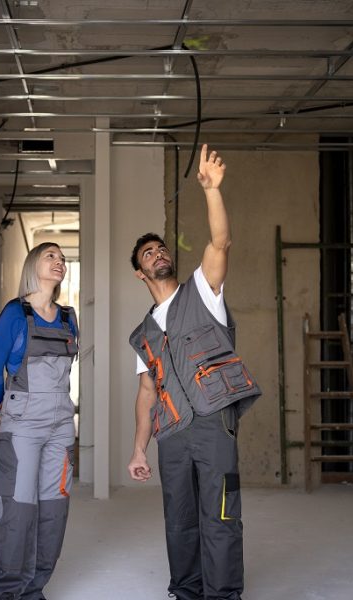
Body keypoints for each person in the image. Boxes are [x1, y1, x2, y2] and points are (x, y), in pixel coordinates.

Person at [127, 144, 261, 600]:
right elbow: (147, 392)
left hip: (212, 424)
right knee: (179, 519)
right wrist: (139, 449)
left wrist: (212, 191)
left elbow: (219, 242)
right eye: (148, 253)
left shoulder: (202, 292)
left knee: (220, 515)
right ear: (139, 272)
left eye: (161, 248)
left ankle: (223, 595)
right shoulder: (143, 333)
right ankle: (186, 591)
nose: (158, 253)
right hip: (171, 434)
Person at [0, 242, 79, 600]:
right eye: (50, 256)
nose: (58, 262)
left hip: (62, 425)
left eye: (62, 258)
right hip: (23, 423)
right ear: (33, 264)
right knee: (17, 511)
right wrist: (1, 406)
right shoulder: (15, 313)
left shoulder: (68, 318)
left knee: (54, 511)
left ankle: (33, 590)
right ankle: (1, 594)